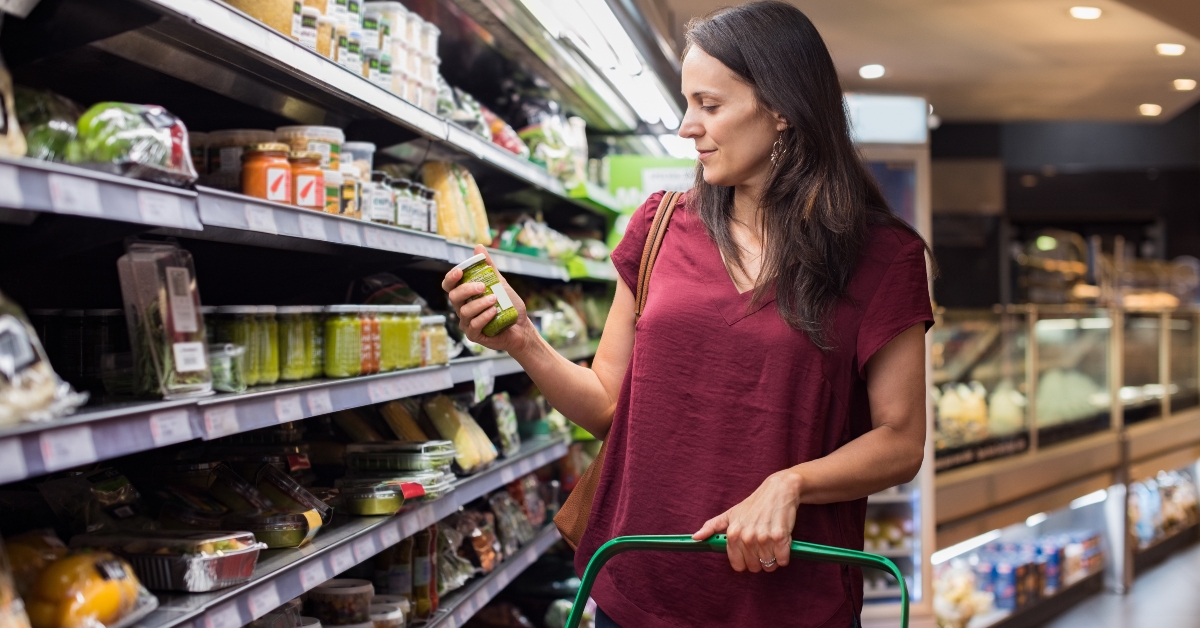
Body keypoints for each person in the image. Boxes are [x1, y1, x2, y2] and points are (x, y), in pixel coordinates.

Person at [441, 2, 932, 626]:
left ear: (782, 109)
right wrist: (524, 341)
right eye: (686, 103)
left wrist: (792, 483)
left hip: (789, 602)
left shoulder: (883, 257)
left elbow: (900, 441)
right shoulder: (659, 226)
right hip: (640, 588)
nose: (685, 126)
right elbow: (608, 406)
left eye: (710, 105)